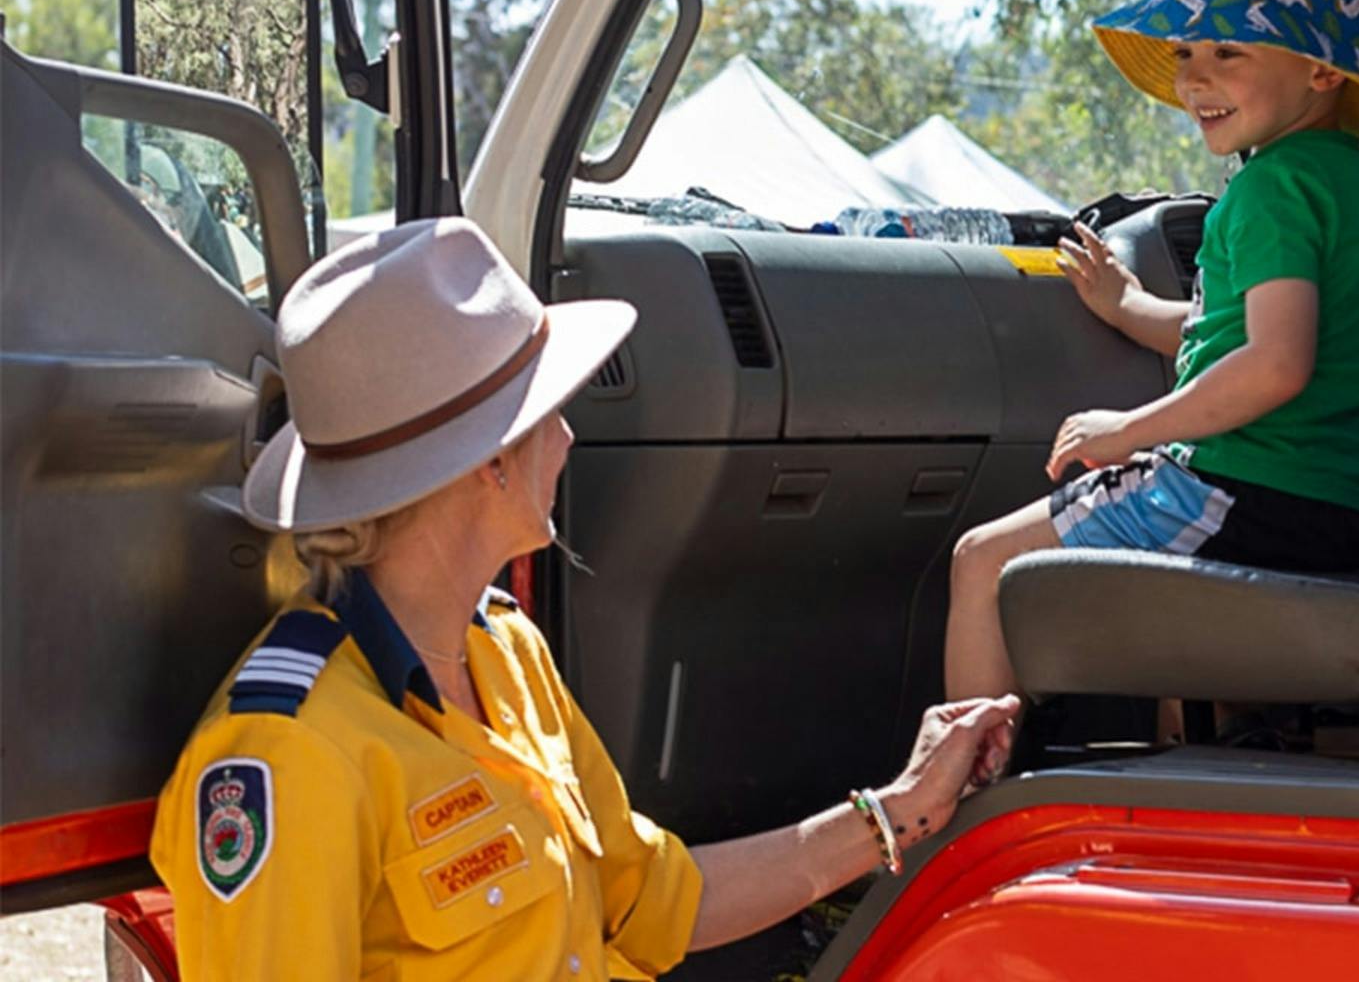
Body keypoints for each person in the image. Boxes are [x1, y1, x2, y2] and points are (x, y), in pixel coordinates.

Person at [149, 217, 1018, 980]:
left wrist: (901, 809)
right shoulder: (287, 754)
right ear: (488, 462)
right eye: (550, 411)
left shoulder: (505, 651)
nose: (567, 438)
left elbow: (660, 905)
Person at [945, 0, 1359, 700]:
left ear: (1321, 70)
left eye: (1228, 50)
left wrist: (1127, 431)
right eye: (1186, 51)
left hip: (1241, 488)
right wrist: (1127, 305)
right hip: (1328, 504)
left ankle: (949, 768)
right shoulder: (1349, 184)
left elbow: (1274, 366)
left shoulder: (1272, 189)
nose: (1195, 77)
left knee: (983, 561)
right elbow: (1229, 337)